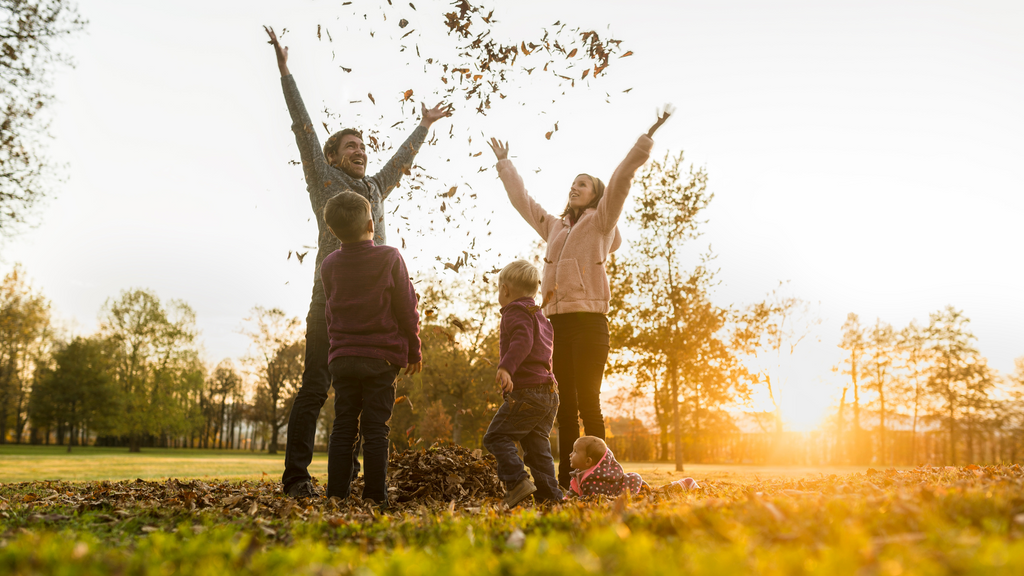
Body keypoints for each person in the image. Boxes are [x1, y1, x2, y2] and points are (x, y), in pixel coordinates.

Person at [264, 26, 451, 498]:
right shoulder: (324, 181)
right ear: (330, 158)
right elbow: (304, 127)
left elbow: (399, 164)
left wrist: (424, 125)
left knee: (366, 401)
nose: (362, 152)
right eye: (351, 147)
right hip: (331, 302)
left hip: (377, 310)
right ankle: (296, 477)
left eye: (364, 147)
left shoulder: (374, 189)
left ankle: (352, 483)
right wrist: (286, 72)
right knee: (317, 387)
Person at [487, 107, 673, 488]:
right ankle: (566, 481)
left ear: (596, 195)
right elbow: (524, 202)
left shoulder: (602, 220)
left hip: (589, 324)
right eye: (573, 183)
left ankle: (600, 476)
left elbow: (622, 178)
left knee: (589, 401)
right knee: (565, 407)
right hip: (556, 325)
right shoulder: (555, 227)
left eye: (583, 184)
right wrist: (505, 164)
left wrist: (646, 138)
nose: (575, 187)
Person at [319, 191, 422, 506]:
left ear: (333, 230)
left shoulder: (329, 264)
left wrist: (337, 348)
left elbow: (330, 311)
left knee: (344, 425)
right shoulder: (389, 257)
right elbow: (407, 307)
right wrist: (414, 349)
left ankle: (336, 493)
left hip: (343, 358)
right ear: (371, 224)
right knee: (376, 428)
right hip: (380, 357)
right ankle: (375, 495)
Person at [482, 260, 563, 508]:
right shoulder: (541, 316)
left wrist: (507, 367)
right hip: (549, 393)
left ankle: (517, 482)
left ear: (505, 290)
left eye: (498, 290)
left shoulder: (515, 312)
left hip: (528, 392)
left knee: (496, 436)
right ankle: (550, 496)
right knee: (537, 447)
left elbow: (522, 341)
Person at [567, 436, 698, 498]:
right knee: (655, 493)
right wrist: (564, 501)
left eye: (575, 452)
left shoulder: (595, 481)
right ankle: (682, 484)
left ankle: (685, 483)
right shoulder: (580, 474)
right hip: (627, 489)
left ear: (588, 461)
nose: (570, 454)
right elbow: (572, 493)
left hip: (633, 488)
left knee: (656, 495)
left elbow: (591, 500)